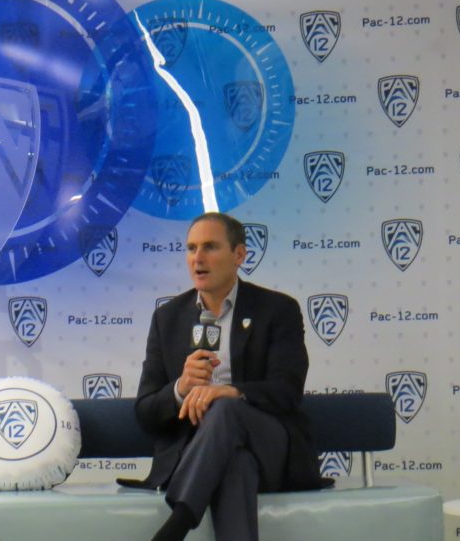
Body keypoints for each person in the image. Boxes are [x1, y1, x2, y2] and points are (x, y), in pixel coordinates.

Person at [121, 212, 324, 541]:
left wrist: (230, 392)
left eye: (210, 247)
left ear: (239, 255)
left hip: (268, 445)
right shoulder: (168, 319)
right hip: (203, 452)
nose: (197, 258)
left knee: (227, 410)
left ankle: (178, 523)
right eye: (190, 248)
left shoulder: (277, 310)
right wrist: (181, 389)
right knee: (235, 466)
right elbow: (145, 411)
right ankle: (182, 518)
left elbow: (286, 391)